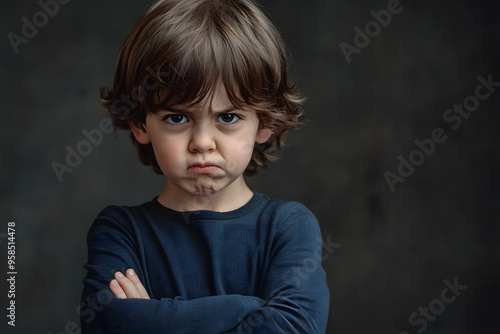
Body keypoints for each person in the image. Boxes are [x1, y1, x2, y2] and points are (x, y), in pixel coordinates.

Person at [80, 0, 330, 332]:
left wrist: (151, 318)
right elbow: (107, 324)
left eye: (228, 117)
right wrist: (249, 309)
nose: (202, 142)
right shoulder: (119, 231)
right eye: (177, 117)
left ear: (265, 122)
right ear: (140, 124)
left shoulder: (289, 227)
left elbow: (295, 326)